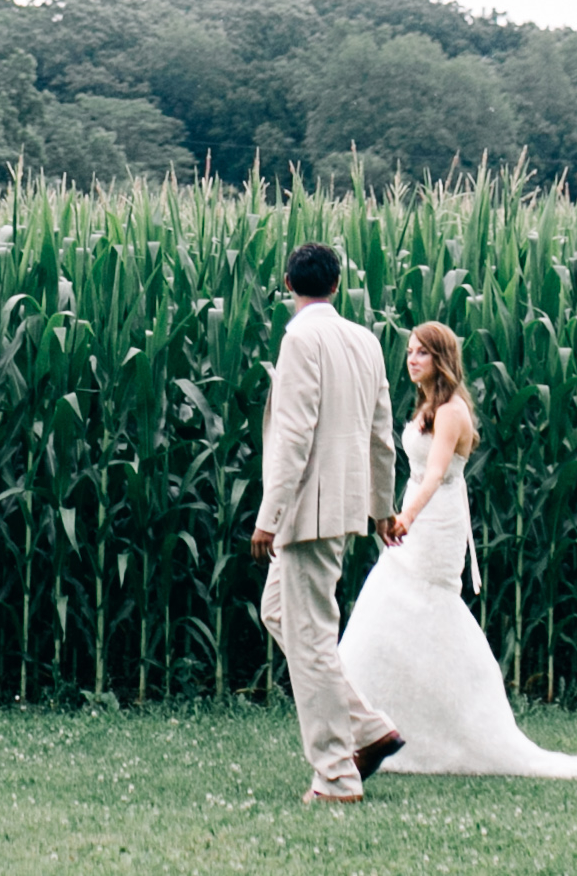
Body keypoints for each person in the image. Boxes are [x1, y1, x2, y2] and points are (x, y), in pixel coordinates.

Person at [335, 321, 577, 779]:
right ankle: (375, 728)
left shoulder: (450, 411)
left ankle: (404, 728)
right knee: (391, 614)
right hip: (418, 514)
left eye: (422, 352)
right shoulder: (429, 406)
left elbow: (435, 474)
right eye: (409, 351)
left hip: (434, 519)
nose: (412, 359)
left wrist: (406, 518)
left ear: (441, 358)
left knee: (415, 609)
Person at [251, 240, 404, 802]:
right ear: (336, 285)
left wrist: (270, 516)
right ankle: (369, 727)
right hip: (342, 506)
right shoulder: (364, 341)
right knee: (279, 613)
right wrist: (383, 509)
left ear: (288, 285)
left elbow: (293, 433)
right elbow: (380, 434)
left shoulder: (300, 338)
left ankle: (336, 774)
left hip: (306, 509)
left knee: (311, 637)